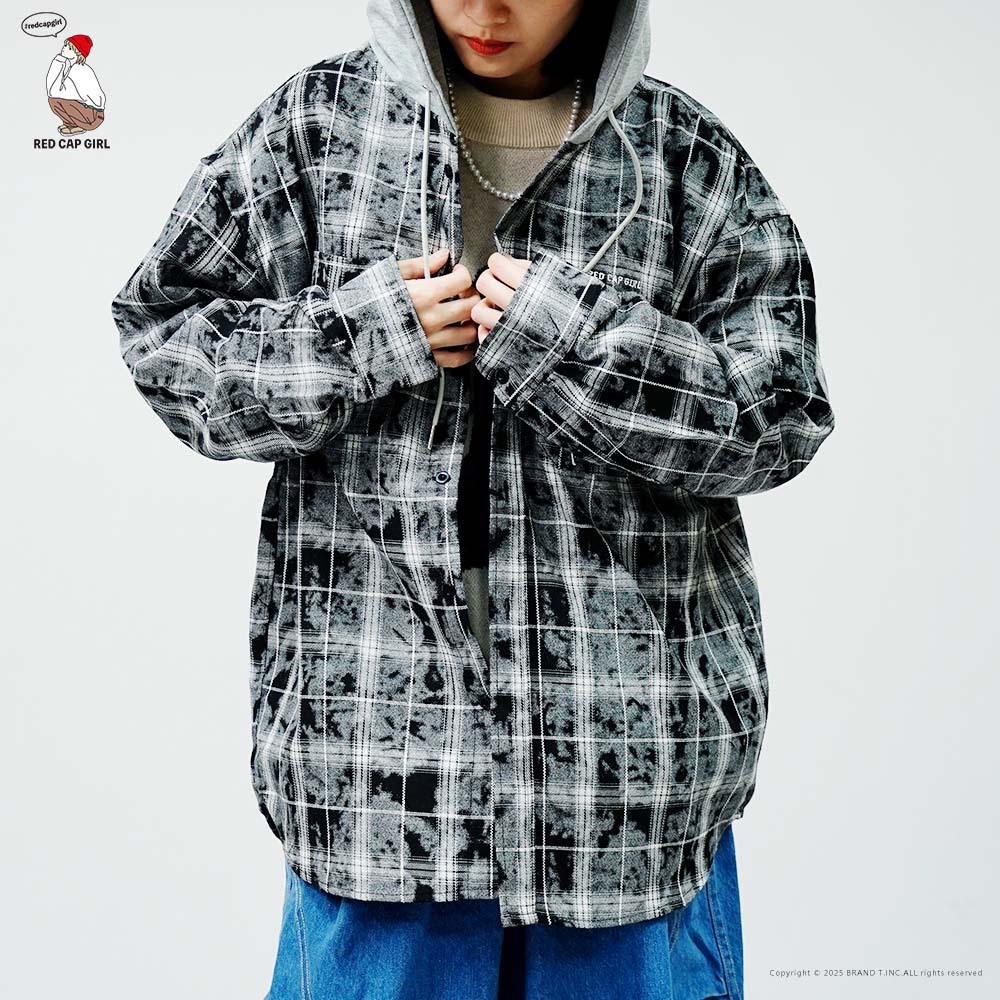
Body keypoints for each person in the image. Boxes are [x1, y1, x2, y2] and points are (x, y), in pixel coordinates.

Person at [111, 0, 835, 997]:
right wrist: (363, 334)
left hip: (626, 787)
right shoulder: (319, 129)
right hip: (376, 779)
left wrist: (572, 343)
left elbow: (781, 411)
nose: (483, 7)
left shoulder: (682, 158)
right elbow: (166, 344)